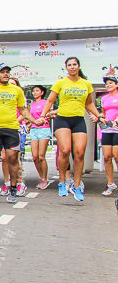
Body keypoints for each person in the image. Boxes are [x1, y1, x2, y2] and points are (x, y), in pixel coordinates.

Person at [0, 64, 43, 203]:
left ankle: (13, 187)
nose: (6, 74)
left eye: (7, 72)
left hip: (11, 128)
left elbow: (24, 110)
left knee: (12, 158)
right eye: (3, 72)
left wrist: (35, 121)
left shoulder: (16, 90)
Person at [43, 56, 102, 202]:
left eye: (75, 64)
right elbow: (50, 100)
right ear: (66, 68)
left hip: (78, 120)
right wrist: (43, 115)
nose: (72, 67)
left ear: (79, 66)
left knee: (80, 153)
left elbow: (89, 104)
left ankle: (76, 186)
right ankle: (62, 182)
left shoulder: (86, 84)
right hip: (62, 119)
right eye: (69, 65)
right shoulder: (60, 83)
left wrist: (99, 116)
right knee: (65, 150)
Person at [27, 85, 52, 190]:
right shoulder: (31, 104)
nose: (35, 93)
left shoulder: (45, 103)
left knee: (41, 156)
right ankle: (41, 176)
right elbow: (29, 116)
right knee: (34, 157)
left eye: (37, 91)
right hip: (34, 130)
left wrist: (45, 118)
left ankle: (45, 179)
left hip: (44, 129)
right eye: (33, 91)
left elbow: (50, 114)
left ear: (42, 92)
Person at [100, 75, 118, 196]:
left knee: (116, 155)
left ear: (116, 85)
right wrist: (101, 118)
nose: (108, 85)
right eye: (107, 84)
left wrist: (116, 120)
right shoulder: (104, 98)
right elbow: (103, 113)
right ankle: (111, 184)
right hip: (107, 130)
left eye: (111, 83)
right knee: (107, 157)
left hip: (117, 129)